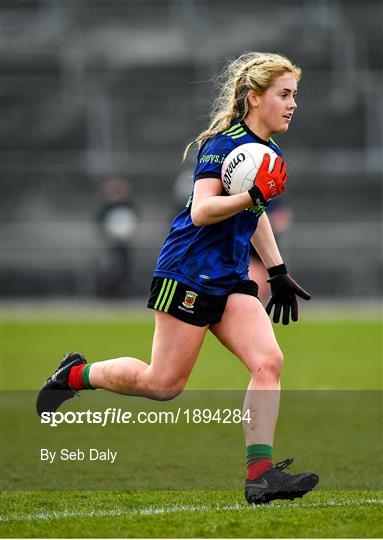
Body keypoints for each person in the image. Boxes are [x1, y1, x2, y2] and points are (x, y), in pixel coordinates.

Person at [36, 52, 319, 505]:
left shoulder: (269, 153)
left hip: (229, 278)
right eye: (284, 94)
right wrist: (251, 194)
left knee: (269, 362)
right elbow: (202, 210)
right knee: (162, 385)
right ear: (254, 98)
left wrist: (279, 270)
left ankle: (260, 475)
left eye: (295, 95)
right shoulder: (221, 144)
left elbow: (256, 212)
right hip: (188, 271)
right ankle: (76, 375)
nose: (292, 104)